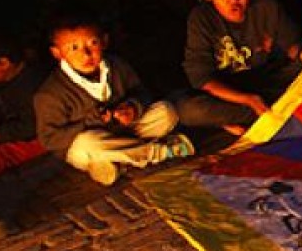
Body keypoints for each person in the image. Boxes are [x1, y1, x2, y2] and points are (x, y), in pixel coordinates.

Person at [33, 11, 194, 187]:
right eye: (73, 48)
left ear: (104, 41)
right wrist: (87, 123)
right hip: (93, 143)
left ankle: (118, 161)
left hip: (125, 130)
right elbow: (50, 139)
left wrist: (132, 107)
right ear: (57, 53)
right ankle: (162, 151)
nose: (86, 54)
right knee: (87, 146)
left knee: (166, 111)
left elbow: (141, 92)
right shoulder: (50, 93)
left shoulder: (117, 66)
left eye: (92, 43)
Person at [176, 0, 302, 136]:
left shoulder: (265, 5)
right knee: (188, 109)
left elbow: (292, 45)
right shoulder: (201, 18)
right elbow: (202, 78)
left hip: (266, 80)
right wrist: (248, 100)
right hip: (229, 92)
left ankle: (260, 112)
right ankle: (275, 109)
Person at [0, 27, 47, 187]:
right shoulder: (8, 80)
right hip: (15, 127)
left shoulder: (33, 88)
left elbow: (34, 124)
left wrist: (0, 133)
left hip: (41, 139)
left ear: (3, 63)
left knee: (1, 155)